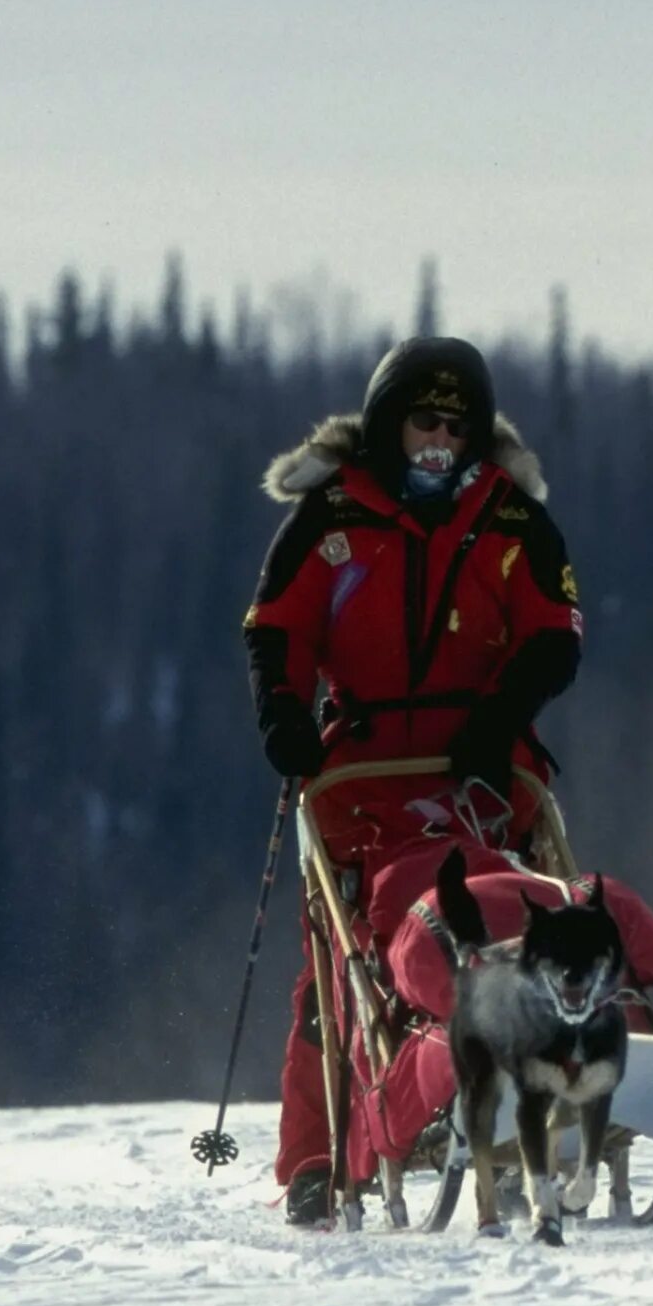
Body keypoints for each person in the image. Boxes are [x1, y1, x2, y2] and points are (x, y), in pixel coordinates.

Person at [243, 336, 584, 1225]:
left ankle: (573, 1061)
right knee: (338, 965)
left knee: (530, 903)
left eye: (457, 424)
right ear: (391, 424)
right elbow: (278, 630)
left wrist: (499, 716)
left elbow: (555, 636)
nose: (440, 439)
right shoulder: (328, 520)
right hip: (362, 769)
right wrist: (282, 714)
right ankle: (320, 1157)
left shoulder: (512, 521)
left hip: (485, 763)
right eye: (424, 421)